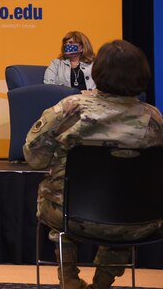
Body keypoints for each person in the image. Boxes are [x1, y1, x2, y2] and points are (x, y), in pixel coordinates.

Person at [24, 39, 163, 289]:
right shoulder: (154, 119)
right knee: (127, 203)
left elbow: (34, 158)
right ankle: (102, 283)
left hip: (70, 216)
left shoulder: (70, 109)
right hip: (138, 221)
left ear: (97, 72)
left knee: (55, 196)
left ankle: (69, 280)